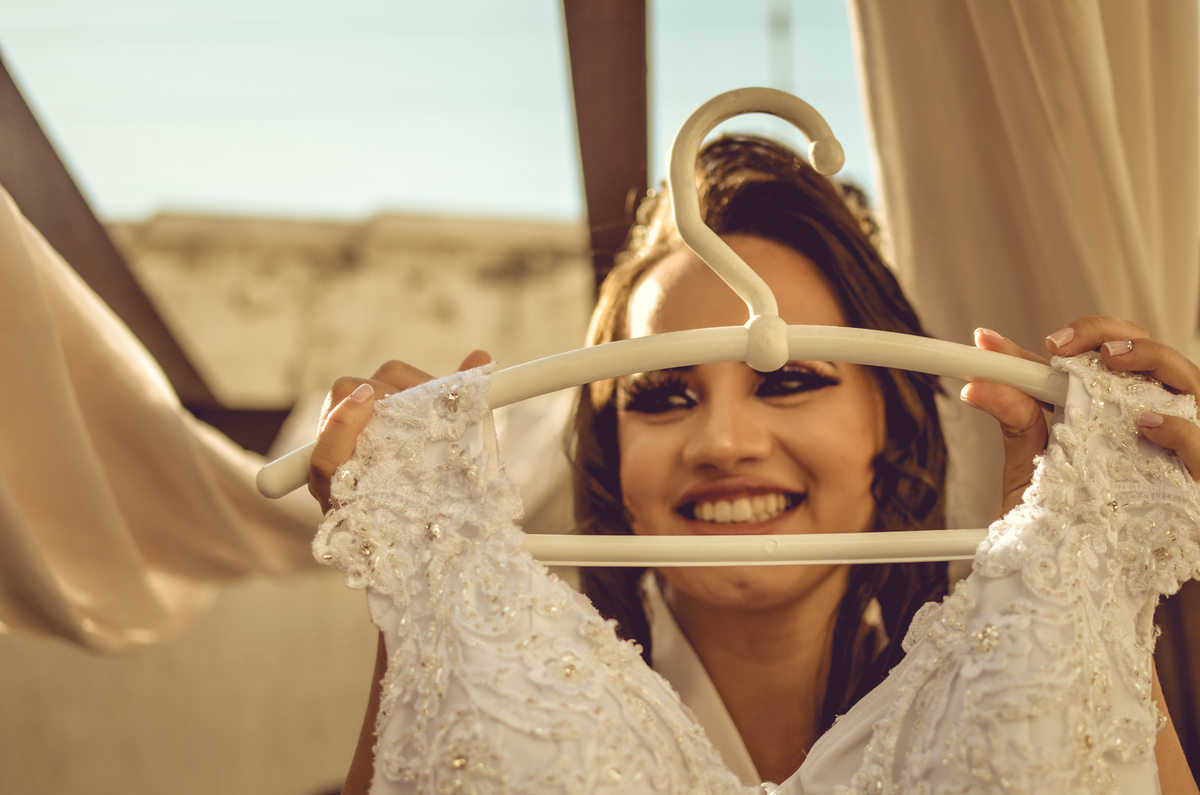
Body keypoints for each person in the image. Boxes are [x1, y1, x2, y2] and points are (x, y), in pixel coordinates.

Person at [308, 136, 1200, 793]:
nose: (723, 442)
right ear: (612, 451)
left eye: (791, 382)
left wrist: (1081, 604)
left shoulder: (1031, 678)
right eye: (663, 395)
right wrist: (427, 613)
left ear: (887, 422)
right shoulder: (497, 698)